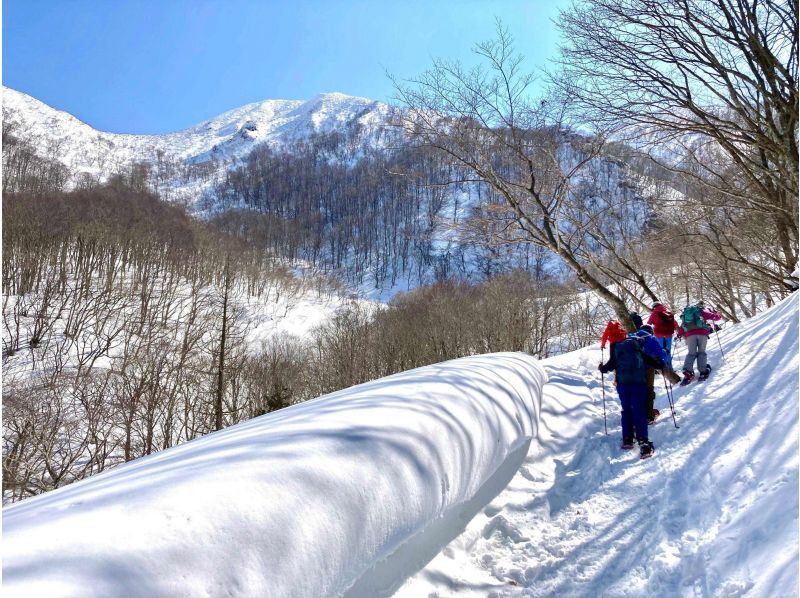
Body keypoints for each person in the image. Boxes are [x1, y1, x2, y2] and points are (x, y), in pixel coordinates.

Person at [599, 333, 665, 459]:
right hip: (638, 385)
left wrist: (602, 368)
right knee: (639, 411)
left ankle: (627, 439)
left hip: (623, 385)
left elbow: (609, 366)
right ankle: (643, 443)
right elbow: (655, 364)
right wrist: (660, 363)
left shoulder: (618, 348)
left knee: (626, 410)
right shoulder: (638, 350)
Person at [630, 324, 670, 424]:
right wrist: (665, 351)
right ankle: (648, 416)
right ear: (650, 331)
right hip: (647, 368)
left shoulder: (631, 338)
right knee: (648, 391)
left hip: (632, 369)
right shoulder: (651, 339)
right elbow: (661, 354)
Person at [677, 301, 722, 384]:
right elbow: (716, 317)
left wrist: (679, 335)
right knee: (701, 352)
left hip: (690, 335)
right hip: (702, 333)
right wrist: (718, 315)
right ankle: (703, 371)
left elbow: (683, 326)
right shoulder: (701, 311)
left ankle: (687, 371)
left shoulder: (686, 315)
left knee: (691, 353)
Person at [647, 301, 682, 385]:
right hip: (669, 335)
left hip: (659, 336)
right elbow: (675, 324)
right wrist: (679, 333)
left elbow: (648, 324)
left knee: (660, 352)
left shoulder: (654, 313)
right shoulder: (668, 313)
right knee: (668, 352)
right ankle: (670, 368)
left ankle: (665, 369)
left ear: (654, 307)